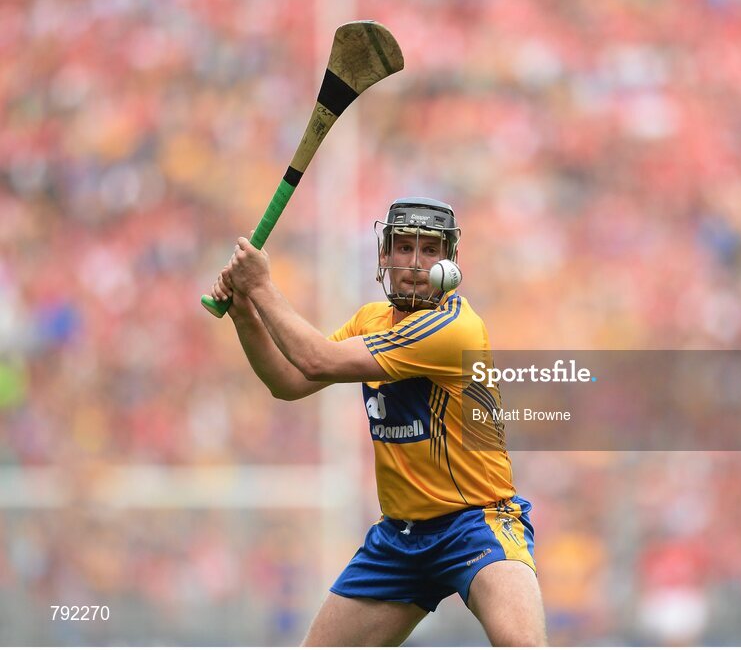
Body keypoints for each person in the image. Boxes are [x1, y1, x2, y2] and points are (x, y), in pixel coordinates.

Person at [210, 196, 547, 646]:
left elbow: (314, 359)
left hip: (476, 523)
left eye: (430, 250)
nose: (415, 262)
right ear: (384, 256)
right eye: (404, 247)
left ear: (450, 262)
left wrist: (262, 287)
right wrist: (244, 312)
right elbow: (288, 381)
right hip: (401, 536)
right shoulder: (371, 320)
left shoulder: (453, 329)